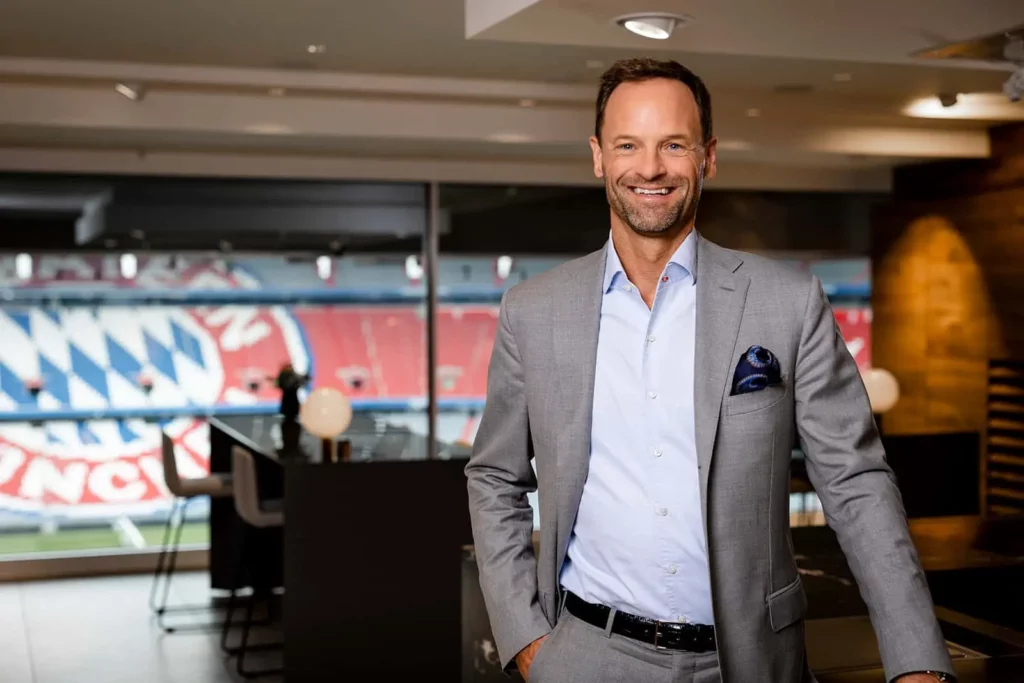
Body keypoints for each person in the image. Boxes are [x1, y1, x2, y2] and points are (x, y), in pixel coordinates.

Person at [464, 58, 955, 683]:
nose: (650, 168)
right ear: (597, 157)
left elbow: (856, 483)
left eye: (674, 144)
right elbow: (495, 476)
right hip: (584, 657)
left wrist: (917, 662)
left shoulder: (789, 303)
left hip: (751, 661)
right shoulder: (533, 311)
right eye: (627, 145)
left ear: (709, 157)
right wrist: (526, 638)